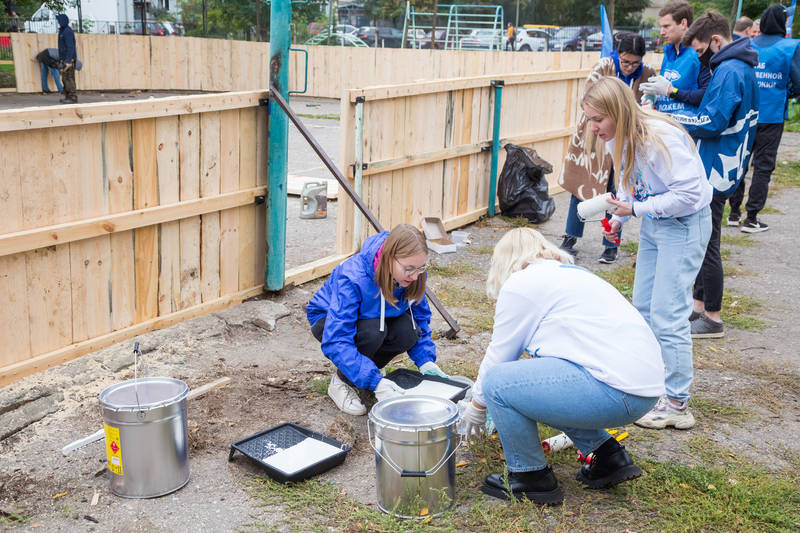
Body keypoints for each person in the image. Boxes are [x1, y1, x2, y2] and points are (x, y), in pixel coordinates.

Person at [460, 228, 664, 505]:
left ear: (505, 261)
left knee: (498, 382)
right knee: (538, 379)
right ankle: (608, 456)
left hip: (616, 390)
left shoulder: (522, 283)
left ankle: (530, 476)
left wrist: (476, 405)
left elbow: (500, 355)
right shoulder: (572, 275)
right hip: (645, 390)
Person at [584, 76, 712, 431]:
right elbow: (629, 183)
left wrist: (637, 211)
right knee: (642, 309)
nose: (594, 128)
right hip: (658, 222)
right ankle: (650, 386)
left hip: (684, 224)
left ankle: (677, 404)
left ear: (618, 112)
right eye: (590, 120)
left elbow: (688, 194)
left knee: (669, 314)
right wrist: (618, 217)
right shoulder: (617, 138)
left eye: (598, 120)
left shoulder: (660, 138)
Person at [669, 11, 758, 341]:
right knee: (704, 238)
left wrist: (673, 121)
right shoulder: (740, 66)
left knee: (706, 243)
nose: (699, 56)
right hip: (725, 163)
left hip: (717, 168)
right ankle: (698, 306)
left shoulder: (729, 71)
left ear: (716, 41)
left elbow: (711, 121)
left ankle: (714, 316)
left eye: (699, 49)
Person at [306, 224, 446, 416]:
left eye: (421, 268)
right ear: (389, 259)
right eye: (409, 269)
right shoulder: (353, 277)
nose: (415, 276)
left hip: (374, 318)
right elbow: (336, 340)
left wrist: (425, 361)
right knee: (373, 333)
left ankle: (366, 374)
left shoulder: (414, 274)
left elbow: (419, 319)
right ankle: (341, 382)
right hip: (327, 320)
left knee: (407, 332)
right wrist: (375, 382)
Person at [559, 34, 656, 263]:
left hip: (624, 140)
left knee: (616, 190)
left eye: (635, 63)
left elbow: (649, 104)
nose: (630, 67)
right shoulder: (603, 67)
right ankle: (570, 238)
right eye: (625, 62)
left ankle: (610, 244)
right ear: (617, 55)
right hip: (595, 140)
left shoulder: (649, 73)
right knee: (582, 188)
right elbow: (590, 100)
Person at [727, 4, 800, 232]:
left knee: (739, 162)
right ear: (782, 23)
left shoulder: (746, 44)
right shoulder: (790, 47)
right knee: (763, 167)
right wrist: (783, 93)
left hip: (745, 114)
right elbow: (798, 83)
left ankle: (733, 212)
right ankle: (752, 217)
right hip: (771, 115)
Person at [640, 1, 711, 113]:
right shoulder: (668, 52)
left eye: (666, 26)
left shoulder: (700, 52)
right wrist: (653, 97)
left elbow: (707, 96)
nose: (662, 32)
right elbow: (667, 88)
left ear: (683, 23)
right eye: (661, 27)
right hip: (665, 124)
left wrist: (672, 92)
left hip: (687, 127)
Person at [57, 13, 78, 104]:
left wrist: (68, 60)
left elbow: (70, 47)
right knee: (65, 78)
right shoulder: (62, 31)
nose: (58, 22)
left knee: (69, 78)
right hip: (64, 59)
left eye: (59, 20)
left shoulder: (67, 32)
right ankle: (67, 96)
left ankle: (72, 97)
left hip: (68, 59)